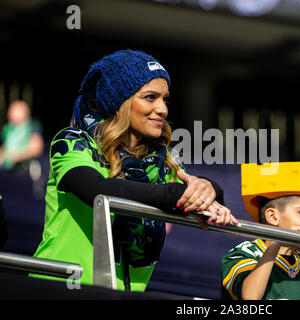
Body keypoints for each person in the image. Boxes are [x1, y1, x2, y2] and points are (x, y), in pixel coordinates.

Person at [31, 49, 238, 291]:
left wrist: (209, 190)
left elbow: (189, 190)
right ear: (119, 101)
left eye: (165, 99)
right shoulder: (72, 141)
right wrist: (176, 195)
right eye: (150, 97)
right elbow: (96, 191)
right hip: (57, 290)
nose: (163, 109)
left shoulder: (162, 160)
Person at [0, 100, 44, 170]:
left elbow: (37, 148)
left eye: (14, 110)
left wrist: (16, 156)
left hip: (24, 168)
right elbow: (4, 147)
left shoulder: (32, 125)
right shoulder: (7, 128)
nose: (10, 112)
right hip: (6, 169)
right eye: (10, 110)